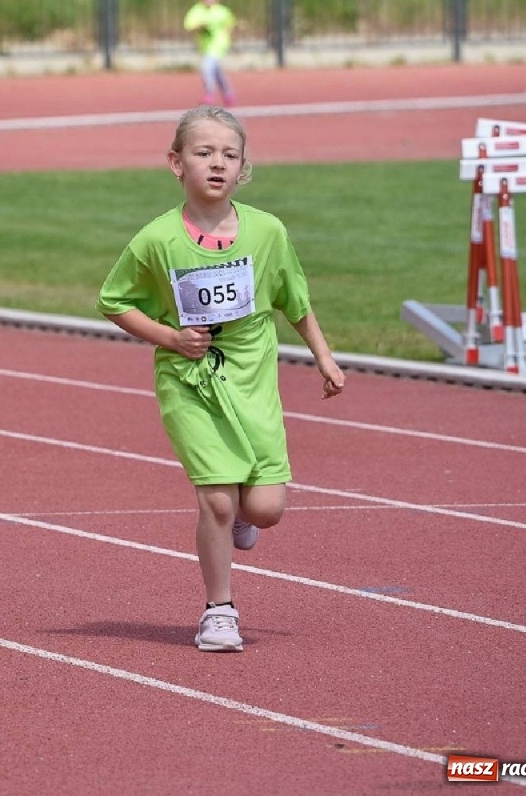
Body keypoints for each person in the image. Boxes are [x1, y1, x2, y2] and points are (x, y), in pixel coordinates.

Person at [97, 106, 344, 653]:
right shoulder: (156, 240)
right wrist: (170, 338)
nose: (217, 164)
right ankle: (219, 610)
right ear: (176, 163)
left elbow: (294, 300)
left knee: (264, 509)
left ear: (243, 169)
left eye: (229, 156)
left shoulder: (267, 232)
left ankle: (238, 521)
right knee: (216, 500)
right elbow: (113, 301)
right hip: (190, 383)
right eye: (203, 153)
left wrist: (324, 358)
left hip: (253, 381)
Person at [183, 0, 236, 107]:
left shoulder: (222, 11)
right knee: (217, 72)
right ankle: (228, 93)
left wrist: (227, 39)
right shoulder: (197, 10)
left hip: (219, 45)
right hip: (205, 46)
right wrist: (201, 26)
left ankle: (209, 94)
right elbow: (189, 25)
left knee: (206, 67)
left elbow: (230, 24)